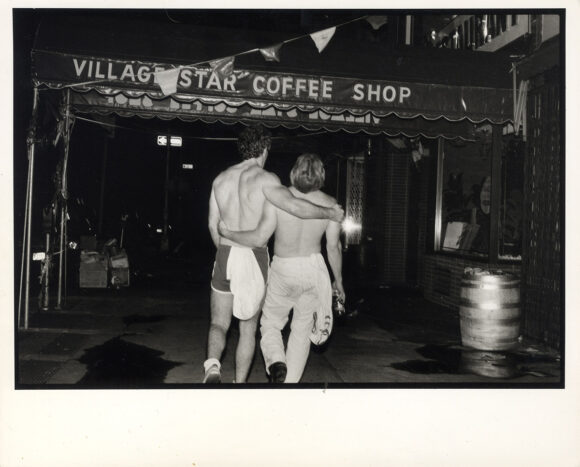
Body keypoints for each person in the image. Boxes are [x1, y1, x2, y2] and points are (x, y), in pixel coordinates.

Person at [205, 128, 344, 384]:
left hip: (225, 254)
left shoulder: (220, 179)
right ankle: (240, 384)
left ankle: (212, 367)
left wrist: (226, 251)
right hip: (256, 256)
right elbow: (292, 207)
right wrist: (330, 213)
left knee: (219, 323)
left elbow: (214, 226)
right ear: (265, 149)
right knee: (248, 330)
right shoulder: (267, 180)